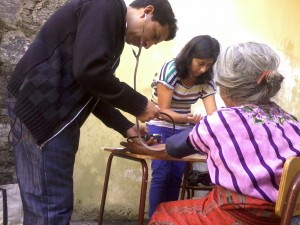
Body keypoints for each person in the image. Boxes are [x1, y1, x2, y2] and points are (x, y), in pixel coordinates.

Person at [6, 0, 178, 224]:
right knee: (51, 207)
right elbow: (90, 72)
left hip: (42, 109)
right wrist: (139, 104)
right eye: (154, 35)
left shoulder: (111, 31)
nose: (147, 45)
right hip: (45, 113)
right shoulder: (107, 5)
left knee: (41, 203)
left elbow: (91, 88)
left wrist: (127, 128)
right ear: (147, 11)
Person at [122, 42, 300, 224]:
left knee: (163, 213)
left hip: (238, 215)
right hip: (283, 216)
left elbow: (174, 147)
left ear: (227, 88)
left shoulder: (223, 120)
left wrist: (146, 146)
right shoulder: (293, 122)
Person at [146, 35, 220, 218]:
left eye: (209, 65)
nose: (203, 69)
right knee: (162, 174)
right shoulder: (171, 70)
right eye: (200, 63)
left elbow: (213, 115)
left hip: (183, 129)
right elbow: (163, 111)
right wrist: (188, 119)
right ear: (189, 56)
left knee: (176, 177)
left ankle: (167, 219)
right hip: (159, 124)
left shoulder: (206, 80)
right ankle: (154, 219)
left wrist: (208, 124)